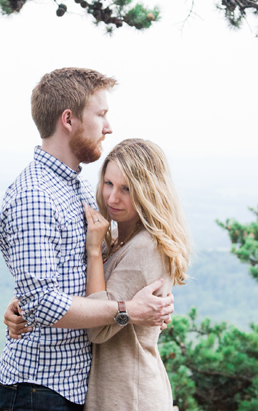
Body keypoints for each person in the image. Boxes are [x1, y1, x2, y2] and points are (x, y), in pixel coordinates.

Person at [0, 68, 174, 411]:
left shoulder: (75, 188)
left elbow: (58, 279)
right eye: (101, 114)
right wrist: (127, 310)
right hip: (41, 387)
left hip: (75, 386)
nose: (108, 127)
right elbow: (41, 302)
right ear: (69, 120)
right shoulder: (36, 195)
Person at [81, 138, 191, 410]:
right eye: (109, 183)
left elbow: (96, 328)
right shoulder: (121, 237)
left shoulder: (144, 248)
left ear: (148, 191)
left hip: (131, 396)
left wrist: (94, 252)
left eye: (126, 189)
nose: (112, 198)